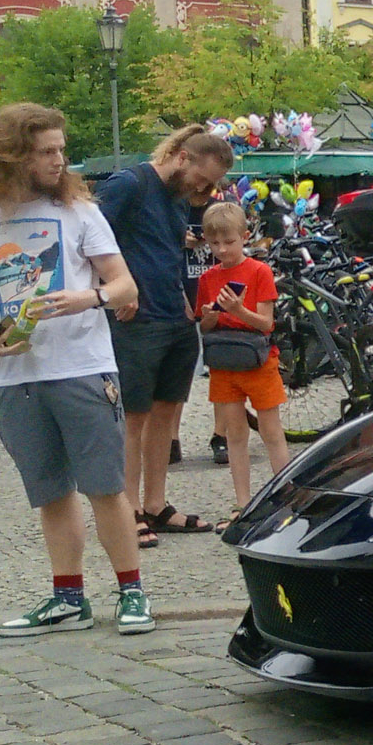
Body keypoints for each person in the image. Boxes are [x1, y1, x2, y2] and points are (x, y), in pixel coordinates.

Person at [0, 103, 152, 636]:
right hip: (16, 376)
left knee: (105, 487)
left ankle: (132, 592)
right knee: (49, 492)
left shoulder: (80, 212)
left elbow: (124, 286)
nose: (59, 160)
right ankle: (68, 597)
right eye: (47, 151)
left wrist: (88, 297)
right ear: (12, 155)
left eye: (61, 150)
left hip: (84, 367)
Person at [97, 124, 233, 539]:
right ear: (182, 158)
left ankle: (155, 504)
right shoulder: (128, 185)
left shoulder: (177, 198)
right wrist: (117, 291)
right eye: (202, 180)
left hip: (174, 315)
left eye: (211, 186)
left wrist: (187, 304)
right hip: (136, 321)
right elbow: (90, 241)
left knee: (166, 413)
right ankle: (129, 509)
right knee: (133, 419)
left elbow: (167, 250)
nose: (204, 191)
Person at [193, 202, 290, 526]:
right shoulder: (208, 278)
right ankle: (243, 502)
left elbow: (266, 324)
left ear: (244, 237)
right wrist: (209, 317)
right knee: (235, 434)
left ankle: (284, 496)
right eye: (215, 243)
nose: (222, 250)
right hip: (224, 362)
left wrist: (237, 311)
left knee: (271, 431)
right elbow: (204, 327)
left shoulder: (259, 271)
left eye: (229, 242)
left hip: (258, 361)